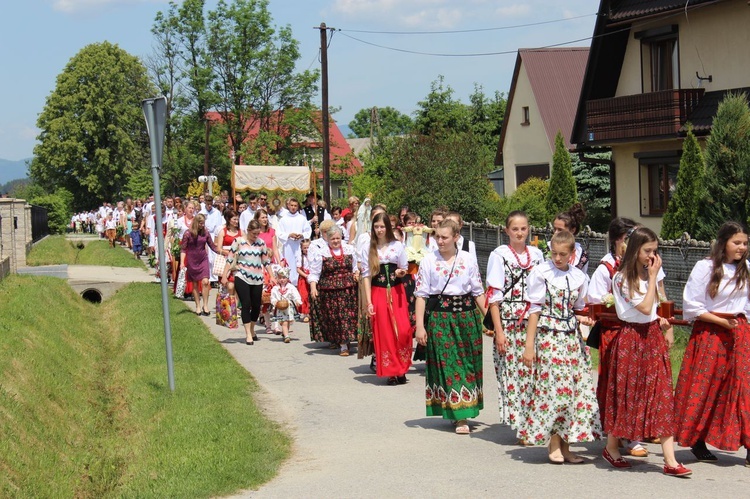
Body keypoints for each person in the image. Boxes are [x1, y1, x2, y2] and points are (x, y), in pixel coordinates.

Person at [603, 227, 692, 477]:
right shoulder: (622, 278)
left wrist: (663, 322)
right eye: (647, 251)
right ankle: (612, 447)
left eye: (655, 251)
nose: (652, 256)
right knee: (628, 395)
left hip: (652, 337)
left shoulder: (648, 274)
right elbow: (642, 306)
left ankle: (670, 461)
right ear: (635, 250)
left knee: (662, 395)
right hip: (631, 338)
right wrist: (652, 278)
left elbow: (655, 307)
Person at [518, 230, 601, 462]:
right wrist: (529, 345)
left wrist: (584, 318)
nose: (557, 258)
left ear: (572, 254)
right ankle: (553, 442)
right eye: (554, 253)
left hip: (572, 338)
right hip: (549, 336)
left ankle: (566, 445)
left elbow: (580, 307)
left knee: (574, 391)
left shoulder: (579, 277)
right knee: (556, 390)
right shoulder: (541, 273)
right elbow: (534, 310)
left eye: (562, 254)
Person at [675, 221, 750, 465]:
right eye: (736, 243)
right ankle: (696, 439)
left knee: (743, 389)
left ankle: (748, 443)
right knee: (706, 387)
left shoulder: (746, 268)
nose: (741, 247)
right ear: (723, 243)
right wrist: (720, 322)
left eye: (745, 243)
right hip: (711, 333)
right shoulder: (705, 267)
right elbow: (693, 305)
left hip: (740, 333)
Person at [414, 219, 487, 434]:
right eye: (437, 236)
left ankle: (465, 408)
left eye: (444, 237)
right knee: (450, 365)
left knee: (468, 364)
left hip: (467, 319)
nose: (440, 241)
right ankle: (460, 416)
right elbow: (421, 296)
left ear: (456, 237)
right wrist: (420, 326)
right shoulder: (428, 261)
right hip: (441, 320)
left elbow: (478, 292)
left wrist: (490, 320)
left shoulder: (468, 259)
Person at [586, 218, 650, 458]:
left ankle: (634, 429)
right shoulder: (607, 267)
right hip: (614, 331)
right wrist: (613, 301)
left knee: (640, 382)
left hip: (640, 330)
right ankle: (621, 432)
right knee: (619, 384)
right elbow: (594, 299)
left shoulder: (643, 264)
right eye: (626, 239)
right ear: (616, 241)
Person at [485, 211, 544, 436]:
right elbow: (494, 297)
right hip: (509, 320)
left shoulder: (537, 255)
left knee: (532, 371)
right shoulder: (499, 255)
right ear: (507, 231)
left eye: (523, 228)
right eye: (515, 229)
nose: (520, 233)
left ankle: (534, 421)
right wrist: (498, 331)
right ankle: (521, 426)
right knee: (513, 373)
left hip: (532, 319)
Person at [362, 212, 413, 385]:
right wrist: (368, 302)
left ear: (388, 227)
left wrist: (400, 273)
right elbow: (366, 277)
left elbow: (404, 268)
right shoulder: (369, 248)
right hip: (378, 292)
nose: (379, 230)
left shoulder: (397, 245)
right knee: (385, 333)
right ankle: (391, 371)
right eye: (376, 226)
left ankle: (402, 367)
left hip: (397, 291)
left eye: (382, 226)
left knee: (404, 330)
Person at [221, 220, 275, 345]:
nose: (256, 236)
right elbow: (229, 260)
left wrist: (271, 275)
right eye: (254, 234)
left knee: (256, 305)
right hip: (241, 275)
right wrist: (224, 275)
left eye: (258, 233)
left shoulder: (261, 243)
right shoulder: (238, 241)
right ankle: (248, 334)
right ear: (248, 230)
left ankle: (252, 328)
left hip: (257, 278)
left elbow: (266, 261)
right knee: (246, 303)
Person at [308, 225, 359, 356]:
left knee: (348, 317)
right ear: (328, 239)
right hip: (330, 291)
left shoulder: (350, 250)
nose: (335, 241)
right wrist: (313, 288)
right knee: (337, 318)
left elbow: (355, 268)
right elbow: (315, 272)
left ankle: (347, 342)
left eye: (337, 238)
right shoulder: (321, 252)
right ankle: (343, 345)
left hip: (349, 290)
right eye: (332, 239)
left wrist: (357, 273)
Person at [180, 214, 221, 316]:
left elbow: (212, 246)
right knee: (194, 283)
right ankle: (198, 305)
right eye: (200, 223)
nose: (202, 225)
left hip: (203, 259)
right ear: (196, 223)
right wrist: (182, 262)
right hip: (192, 260)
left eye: (203, 223)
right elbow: (183, 249)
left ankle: (205, 305)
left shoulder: (205, 233)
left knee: (206, 282)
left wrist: (223, 252)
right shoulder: (188, 233)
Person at [276, 198, 312, 286]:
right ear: (288, 206)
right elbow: (279, 233)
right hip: (288, 246)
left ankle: (300, 284)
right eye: (291, 205)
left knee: (299, 264)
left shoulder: (302, 218)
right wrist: (289, 235)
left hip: (299, 245)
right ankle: (289, 283)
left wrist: (302, 235)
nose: (293, 207)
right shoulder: (283, 219)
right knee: (289, 264)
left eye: (295, 206)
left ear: (298, 206)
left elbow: (308, 231)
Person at [551, 203, 589, 274]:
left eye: (560, 230)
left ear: (572, 230)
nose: (555, 233)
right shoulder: (547, 248)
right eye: (554, 229)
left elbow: (582, 278)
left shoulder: (581, 255)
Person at [270, 267, 303, 343]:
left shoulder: (291, 287)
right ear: (277, 278)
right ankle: (286, 336)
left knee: (287, 321)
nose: (282, 280)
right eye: (280, 278)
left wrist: (297, 301)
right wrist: (274, 301)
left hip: (289, 307)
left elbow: (295, 294)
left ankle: (285, 333)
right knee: (284, 321)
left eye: (284, 278)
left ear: (287, 278)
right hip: (280, 308)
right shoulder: (275, 288)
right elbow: (272, 297)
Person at [215, 209, 242, 299]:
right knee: (229, 286)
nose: (236, 221)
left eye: (237, 219)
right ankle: (228, 302)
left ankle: (235, 306)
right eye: (234, 219)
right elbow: (218, 248)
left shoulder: (241, 232)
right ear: (228, 220)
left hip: (238, 261)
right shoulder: (223, 231)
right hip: (226, 260)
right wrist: (226, 252)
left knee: (237, 285)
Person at [296, 239, 312, 321]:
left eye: (308, 247)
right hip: (303, 278)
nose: (306, 249)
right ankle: (306, 314)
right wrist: (306, 275)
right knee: (304, 296)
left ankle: (311, 313)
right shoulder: (300, 257)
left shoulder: (313, 256)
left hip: (312, 277)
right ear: (301, 248)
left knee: (312, 295)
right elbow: (298, 269)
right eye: (305, 248)